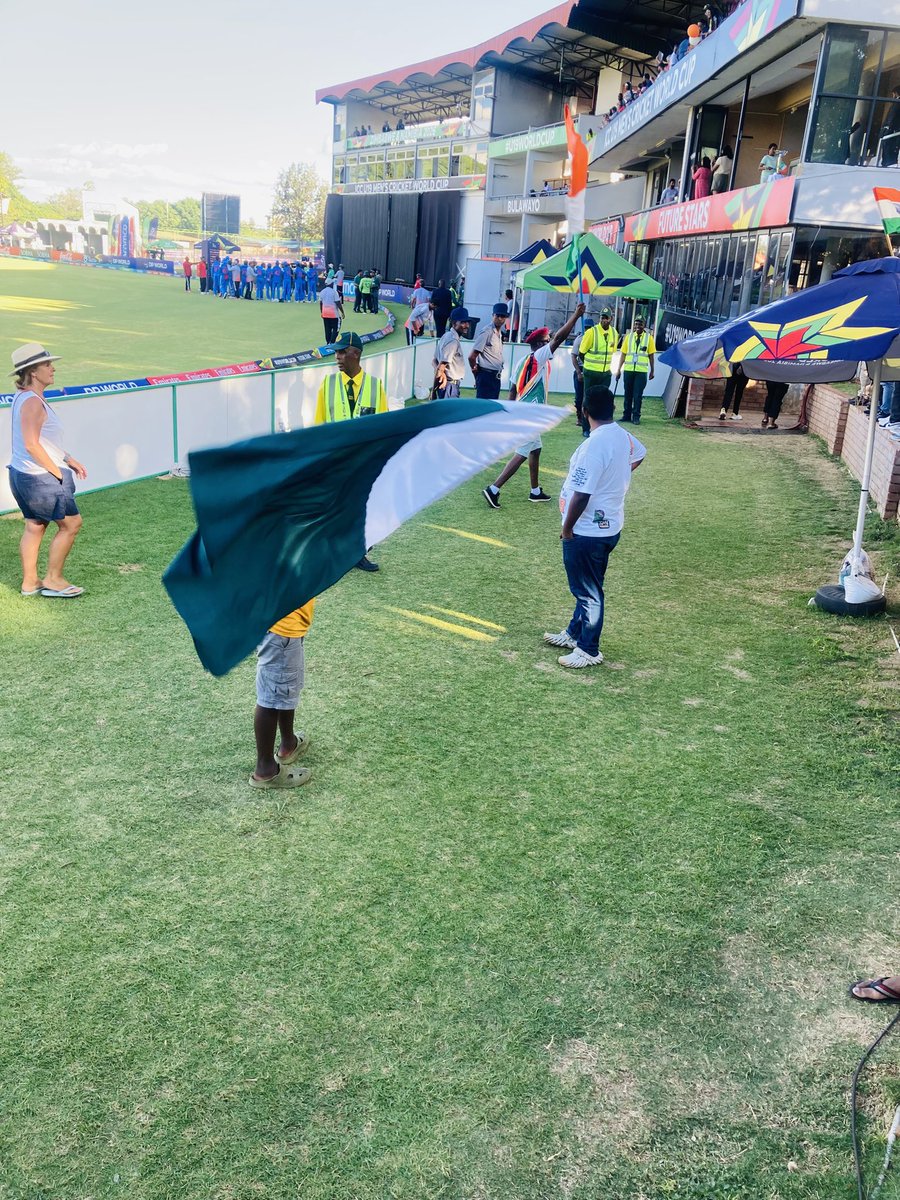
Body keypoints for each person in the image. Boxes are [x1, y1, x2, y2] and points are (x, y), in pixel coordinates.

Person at [543, 385, 646, 668]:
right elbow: (640, 453)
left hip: (587, 531)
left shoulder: (594, 445)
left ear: (584, 411)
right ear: (613, 409)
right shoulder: (621, 436)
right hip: (608, 527)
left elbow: (582, 493)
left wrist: (567, 529)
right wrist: (615, 477)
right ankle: (574, 633)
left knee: (588, 591)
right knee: (591, 585)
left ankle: (589, 649)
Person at [481, 304, 585, 510]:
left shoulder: (523, 360)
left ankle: (535, 491)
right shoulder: (539, 357)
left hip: (523, 411)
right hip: (531, 414)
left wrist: (510, 412)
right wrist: (575, 316)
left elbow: (512, 389)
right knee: (522, 452)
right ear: (540, 344)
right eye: (546, 342)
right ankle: (494, 489)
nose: (550, 344)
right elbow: (559, 339)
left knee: (535, 450)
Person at [6, 343, 87, 598]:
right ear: (32, 371)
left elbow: (42, 440)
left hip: (23, 475)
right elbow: (31, 444)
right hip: (39, 477)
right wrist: (58, 472)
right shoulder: (32, 402)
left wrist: (67, 457)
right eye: (47, 365)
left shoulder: (25, 398)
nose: (53, 369)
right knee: (72, 524)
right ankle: (54, 579)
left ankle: (30, 582)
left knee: (35, 524)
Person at [313, 331, 388, 571]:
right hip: (335, 462)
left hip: (364, 464)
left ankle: (357, 554)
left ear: (356, 353)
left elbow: (384, 429)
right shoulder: (328, 383)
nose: (337, 356)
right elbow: (319, 425)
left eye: (342, 351)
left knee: (364, 511)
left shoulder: (376, 386)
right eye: (336, 352)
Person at [249, 599, 314, 790]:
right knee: (271, 698)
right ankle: (265, 770)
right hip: (281, 628)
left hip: (288, 623)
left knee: (286, 689)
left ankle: (289, 743)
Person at [578, 308, 618, 434]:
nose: (604, 320)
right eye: (602, 317)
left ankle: (600, 427)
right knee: (588, 400)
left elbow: (612, 352)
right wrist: (589, 366)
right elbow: (581, 353)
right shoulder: (592, 332)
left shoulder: (614, 333)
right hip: (591, 372)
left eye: (606, 318)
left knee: (603, 400)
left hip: (605, 373)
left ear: (611, 319)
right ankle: (586, 428)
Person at [616, 316, 656, 424]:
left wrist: (652, 370)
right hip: (628, 370)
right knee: (627, 394)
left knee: (637, 395)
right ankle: (626, 415)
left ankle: (636, 416)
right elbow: (623, 355)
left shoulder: (649, 338)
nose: (638, 326)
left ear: (644, 325)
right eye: (636, 324)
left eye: (640, 324)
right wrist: (618, 369)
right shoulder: (628, 337)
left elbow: (651, 356)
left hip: (641, 371)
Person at [468, 303, 508, 399]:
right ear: (493, 315)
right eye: (497, 315)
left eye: (502, 316)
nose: (500, 318)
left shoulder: (499, 333)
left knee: (493, 408)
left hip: (495, 376)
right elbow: (472, 357)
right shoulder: (487, 331)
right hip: (486, 375)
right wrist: (476, 374)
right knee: (483, 408)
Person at [432, 307, 470, 398]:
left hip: (448, 385)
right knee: (449, 412)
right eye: (463, 322)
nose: (467, 325)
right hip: (449, 387)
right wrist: (433, 392)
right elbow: (440, 366)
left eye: (467, 322)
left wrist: (443, 374)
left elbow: (434, 361)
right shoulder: (453, 341)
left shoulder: (446, 336)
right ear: (453, 323)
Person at [571, 317, 595, 434]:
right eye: (586, 327)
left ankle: (591, 419)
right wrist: (579, 372)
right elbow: (573, 356)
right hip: (580, 369)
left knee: (591, 397)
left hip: (592, 370)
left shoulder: (596, 339)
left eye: (589, 327)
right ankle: (580, 418)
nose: (587, 329)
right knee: (579, 397)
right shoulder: (579, 339)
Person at [319, 277, 343, 344]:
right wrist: (342, 312)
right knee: (336, 328)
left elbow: (321, 303)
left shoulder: (322, 292)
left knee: (327, 329)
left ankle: (327, 342)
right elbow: (338, 303)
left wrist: (321, 312)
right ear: (331, 284)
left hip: (325, 313)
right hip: (334, 314)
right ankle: (332, 342)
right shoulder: (334, 292)